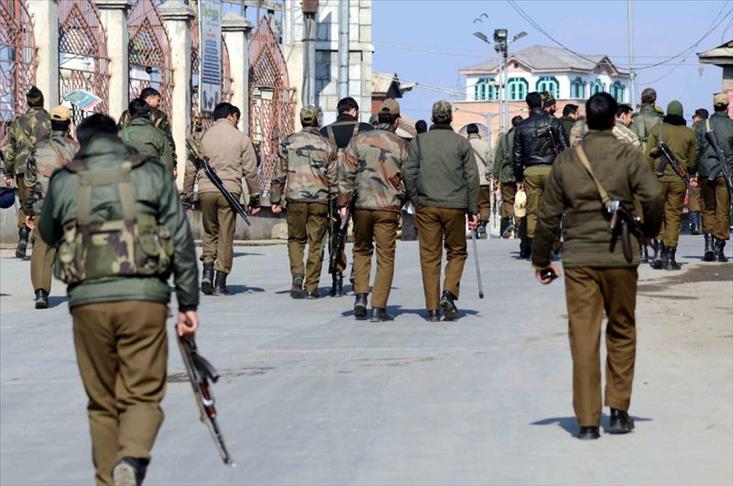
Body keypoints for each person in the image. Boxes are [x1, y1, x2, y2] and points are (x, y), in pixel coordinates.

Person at [37, 113, 199, 485]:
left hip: (88, 303)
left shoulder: (65, 179)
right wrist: (188, 304)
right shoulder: (152, 173)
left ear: (81, 142)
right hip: (145, 299)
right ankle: (132, 456)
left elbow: (47, 231)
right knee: (142, 393)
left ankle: (108, 480)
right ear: (119, 136)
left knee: (101, 401)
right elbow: (180, 240)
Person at [532, 92, 664, 440]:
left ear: (587, 121)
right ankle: (618, 412)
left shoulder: (567, 160)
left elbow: (547, 214)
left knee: (584, 335)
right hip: (621, 255)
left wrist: (541, 259)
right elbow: (654, 195)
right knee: (622, 328)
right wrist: (648, 232)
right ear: (615, 119)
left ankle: (588, 421)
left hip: (579, 260)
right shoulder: (630, 155)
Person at [404, 100, 479, 322]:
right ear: (451, 118)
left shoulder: (419, 142)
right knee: (457, 251)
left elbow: (409, 173)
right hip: (455, 206)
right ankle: (448, 292)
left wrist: (416, 200)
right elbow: (472, 177)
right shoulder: (462, 143)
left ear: (432, 117)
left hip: (427, 205)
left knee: (430, 256)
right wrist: (472, 209)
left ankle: (432, 310)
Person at [341, 99, 410, 322]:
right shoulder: (401, 145)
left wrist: (343, 202)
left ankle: (360, 297)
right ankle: (379, 307)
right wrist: (402, 199)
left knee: (361, 250)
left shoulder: (359, 140)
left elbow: (345, 173)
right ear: (397, 121)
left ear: (378, 118)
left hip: (361, 205)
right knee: (385, 256)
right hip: (388, 207)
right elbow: (409, 177)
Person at [183, 102, 260, 295]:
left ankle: (207, 271)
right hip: (230, 192)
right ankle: (220, 282)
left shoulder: (202, 137)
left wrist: (187, 195)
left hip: (206, 191)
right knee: (226, 235)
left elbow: (191, 169)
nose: (237, 122)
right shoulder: (241, 138)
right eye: (236, 118)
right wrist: (255, 197)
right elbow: (251, 171)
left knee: (209, 231)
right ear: (231, 116)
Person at [270, 106, 338, 299]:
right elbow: (333, 178)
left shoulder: (289, 142)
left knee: (295, 240)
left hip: (295, 198)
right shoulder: (328, 145)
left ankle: (297, 275)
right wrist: (335, 205)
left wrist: (275, 199)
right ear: (317, 120)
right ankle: (311, 286)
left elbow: (279, 173)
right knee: (317, 243)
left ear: (301, 120)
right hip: (320, 200)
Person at [22, 106, 79, 309]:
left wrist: (27, 211)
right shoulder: (76, 149)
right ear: (69, 125)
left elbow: (29, 182)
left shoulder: (38, 148)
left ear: (51, 125)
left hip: (42, 205)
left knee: (42, 247)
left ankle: (40, 292)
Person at [320, 97, 374, 295]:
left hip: (334, 191)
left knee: (336, 235)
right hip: (360, 190)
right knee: (362, 233)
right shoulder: (366, 129)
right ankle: (357, 272)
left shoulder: (325, 132)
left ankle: (336, 279)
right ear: (354, 111)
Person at [513, 91, 568, 258]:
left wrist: (518, 179)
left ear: (528, 105)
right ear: (543, 104)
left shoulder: (522, 126)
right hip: (551, 170)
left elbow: (517, 155)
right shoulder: (554, 122)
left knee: (532, 210)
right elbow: (565, 148)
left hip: (530, 171)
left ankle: (533, 244)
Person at [1, 85, 50, 259]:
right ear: (42, 101)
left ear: (28, 102)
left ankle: (23, 235)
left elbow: (9, 152)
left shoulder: (17, 122)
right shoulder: (50, 121)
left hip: (22, 168)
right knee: (44, 204)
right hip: (45, 167)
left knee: (25, 203)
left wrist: (8, 174)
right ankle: (39, 241)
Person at [647, 100, 697, 270]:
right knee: (674, 217)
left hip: (658, 180)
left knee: (659, 214)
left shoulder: (657, 130)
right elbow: (692, 162)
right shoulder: (689, 133)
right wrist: (688, 171)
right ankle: (670, 256)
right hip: (678, 181)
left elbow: (647, 157)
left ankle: (659, 248)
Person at [694, 93, 732, 262]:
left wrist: (692, 170)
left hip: (705, 173)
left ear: (714, 106)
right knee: (723, 211)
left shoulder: (703, 125)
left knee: (708, 208)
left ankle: (708, 244)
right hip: (725, 174)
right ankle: (719, 247)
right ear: (727, 106)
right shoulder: (731, 125)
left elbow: (695, 150)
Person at [117, 87, 176, 172]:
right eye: (158, 100)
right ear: (149, 99)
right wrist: (173, 164)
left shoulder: (126, 114)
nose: (159, 104)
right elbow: (168, 144)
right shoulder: (159, 116)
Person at [493, 115, 523, 238]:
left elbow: (498, 158)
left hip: (506, 173)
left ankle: (510, 220)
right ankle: (519, 224)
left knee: (508, 200)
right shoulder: (524, 136)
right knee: (520, 201)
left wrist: (496, 176)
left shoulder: (503, 138)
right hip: (521, 173)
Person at [466, 123, 493, 238]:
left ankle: (474, 226)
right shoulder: (485, 145)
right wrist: (488, 173)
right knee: (484, 204)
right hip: (483, 181)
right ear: (477, 132)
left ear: (468, 133)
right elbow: (491, 163)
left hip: (469, 182)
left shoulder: (464, 145)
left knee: (472, 205)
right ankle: (483, 223)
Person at [687, 108, 710, 236]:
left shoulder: (693, 130)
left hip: (695, 168)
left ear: (697, 117)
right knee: (705, 198)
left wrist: (691, 170)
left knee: (694, 196)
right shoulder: (711, 129)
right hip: (709, 169)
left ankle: (695, 224)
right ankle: (705, 226)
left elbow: (692, 151)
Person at [631, 87, 663, 152]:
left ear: (641, 100)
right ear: (654, 102)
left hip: (636, 155)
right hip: (653, 156)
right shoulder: (660, 120)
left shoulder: (633, 119)